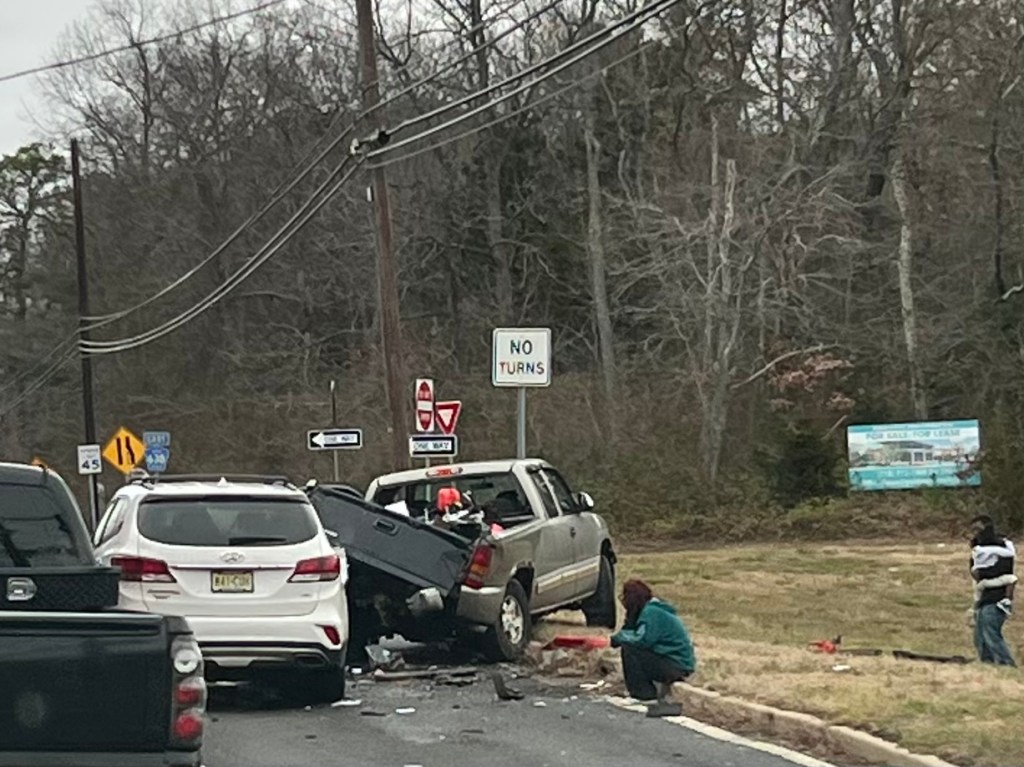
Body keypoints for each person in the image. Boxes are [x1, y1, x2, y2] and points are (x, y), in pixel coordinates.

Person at [610, 579, 696, 717]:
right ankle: (645, 693)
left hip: (676, 665)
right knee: (631, 648)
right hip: (675, 663)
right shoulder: (651, 611)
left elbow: (643, 640)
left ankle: (643, 695)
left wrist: (620, 638)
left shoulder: (651, 613)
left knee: (630, 649)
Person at [969, 514, 1016, 667]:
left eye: (978, 529)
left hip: (997, 598)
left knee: (991, 634)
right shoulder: (978, 549)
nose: (975, 533)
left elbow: (1004, 571)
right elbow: (975, 571)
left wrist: (982, 573)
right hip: (983, 597)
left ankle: (1006, 663)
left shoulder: (1002, 547)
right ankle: (987, 664)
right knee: (980, 637)